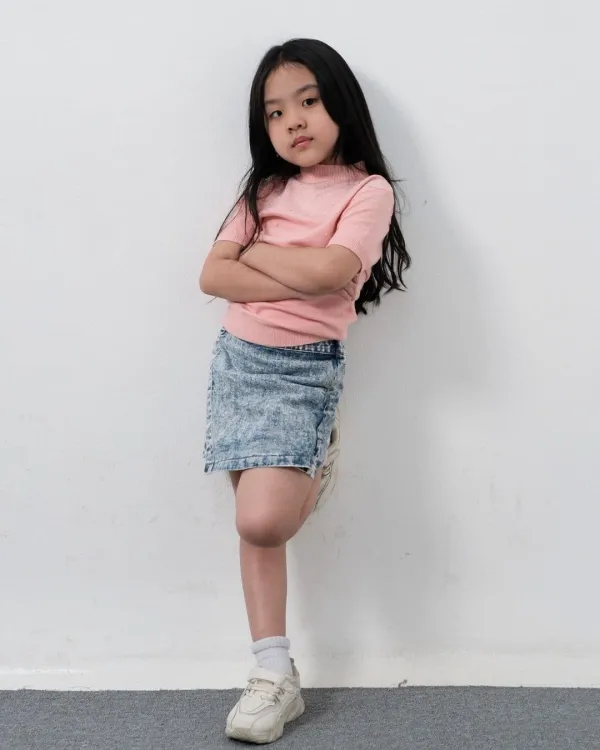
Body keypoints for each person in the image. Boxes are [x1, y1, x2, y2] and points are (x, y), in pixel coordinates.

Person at [199, 38, 410, 744]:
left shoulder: (367, 191)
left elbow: (332, 274)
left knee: (266, 522)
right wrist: (297, 266)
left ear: (340, 103)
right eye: (275, 111)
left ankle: (317, 450)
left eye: (309, 101)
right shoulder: (262, 192)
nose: (293, 120)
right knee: (252, 527)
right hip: (237, 362)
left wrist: (258, 254)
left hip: (302, 369)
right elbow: (213, 276)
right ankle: (273, 672)